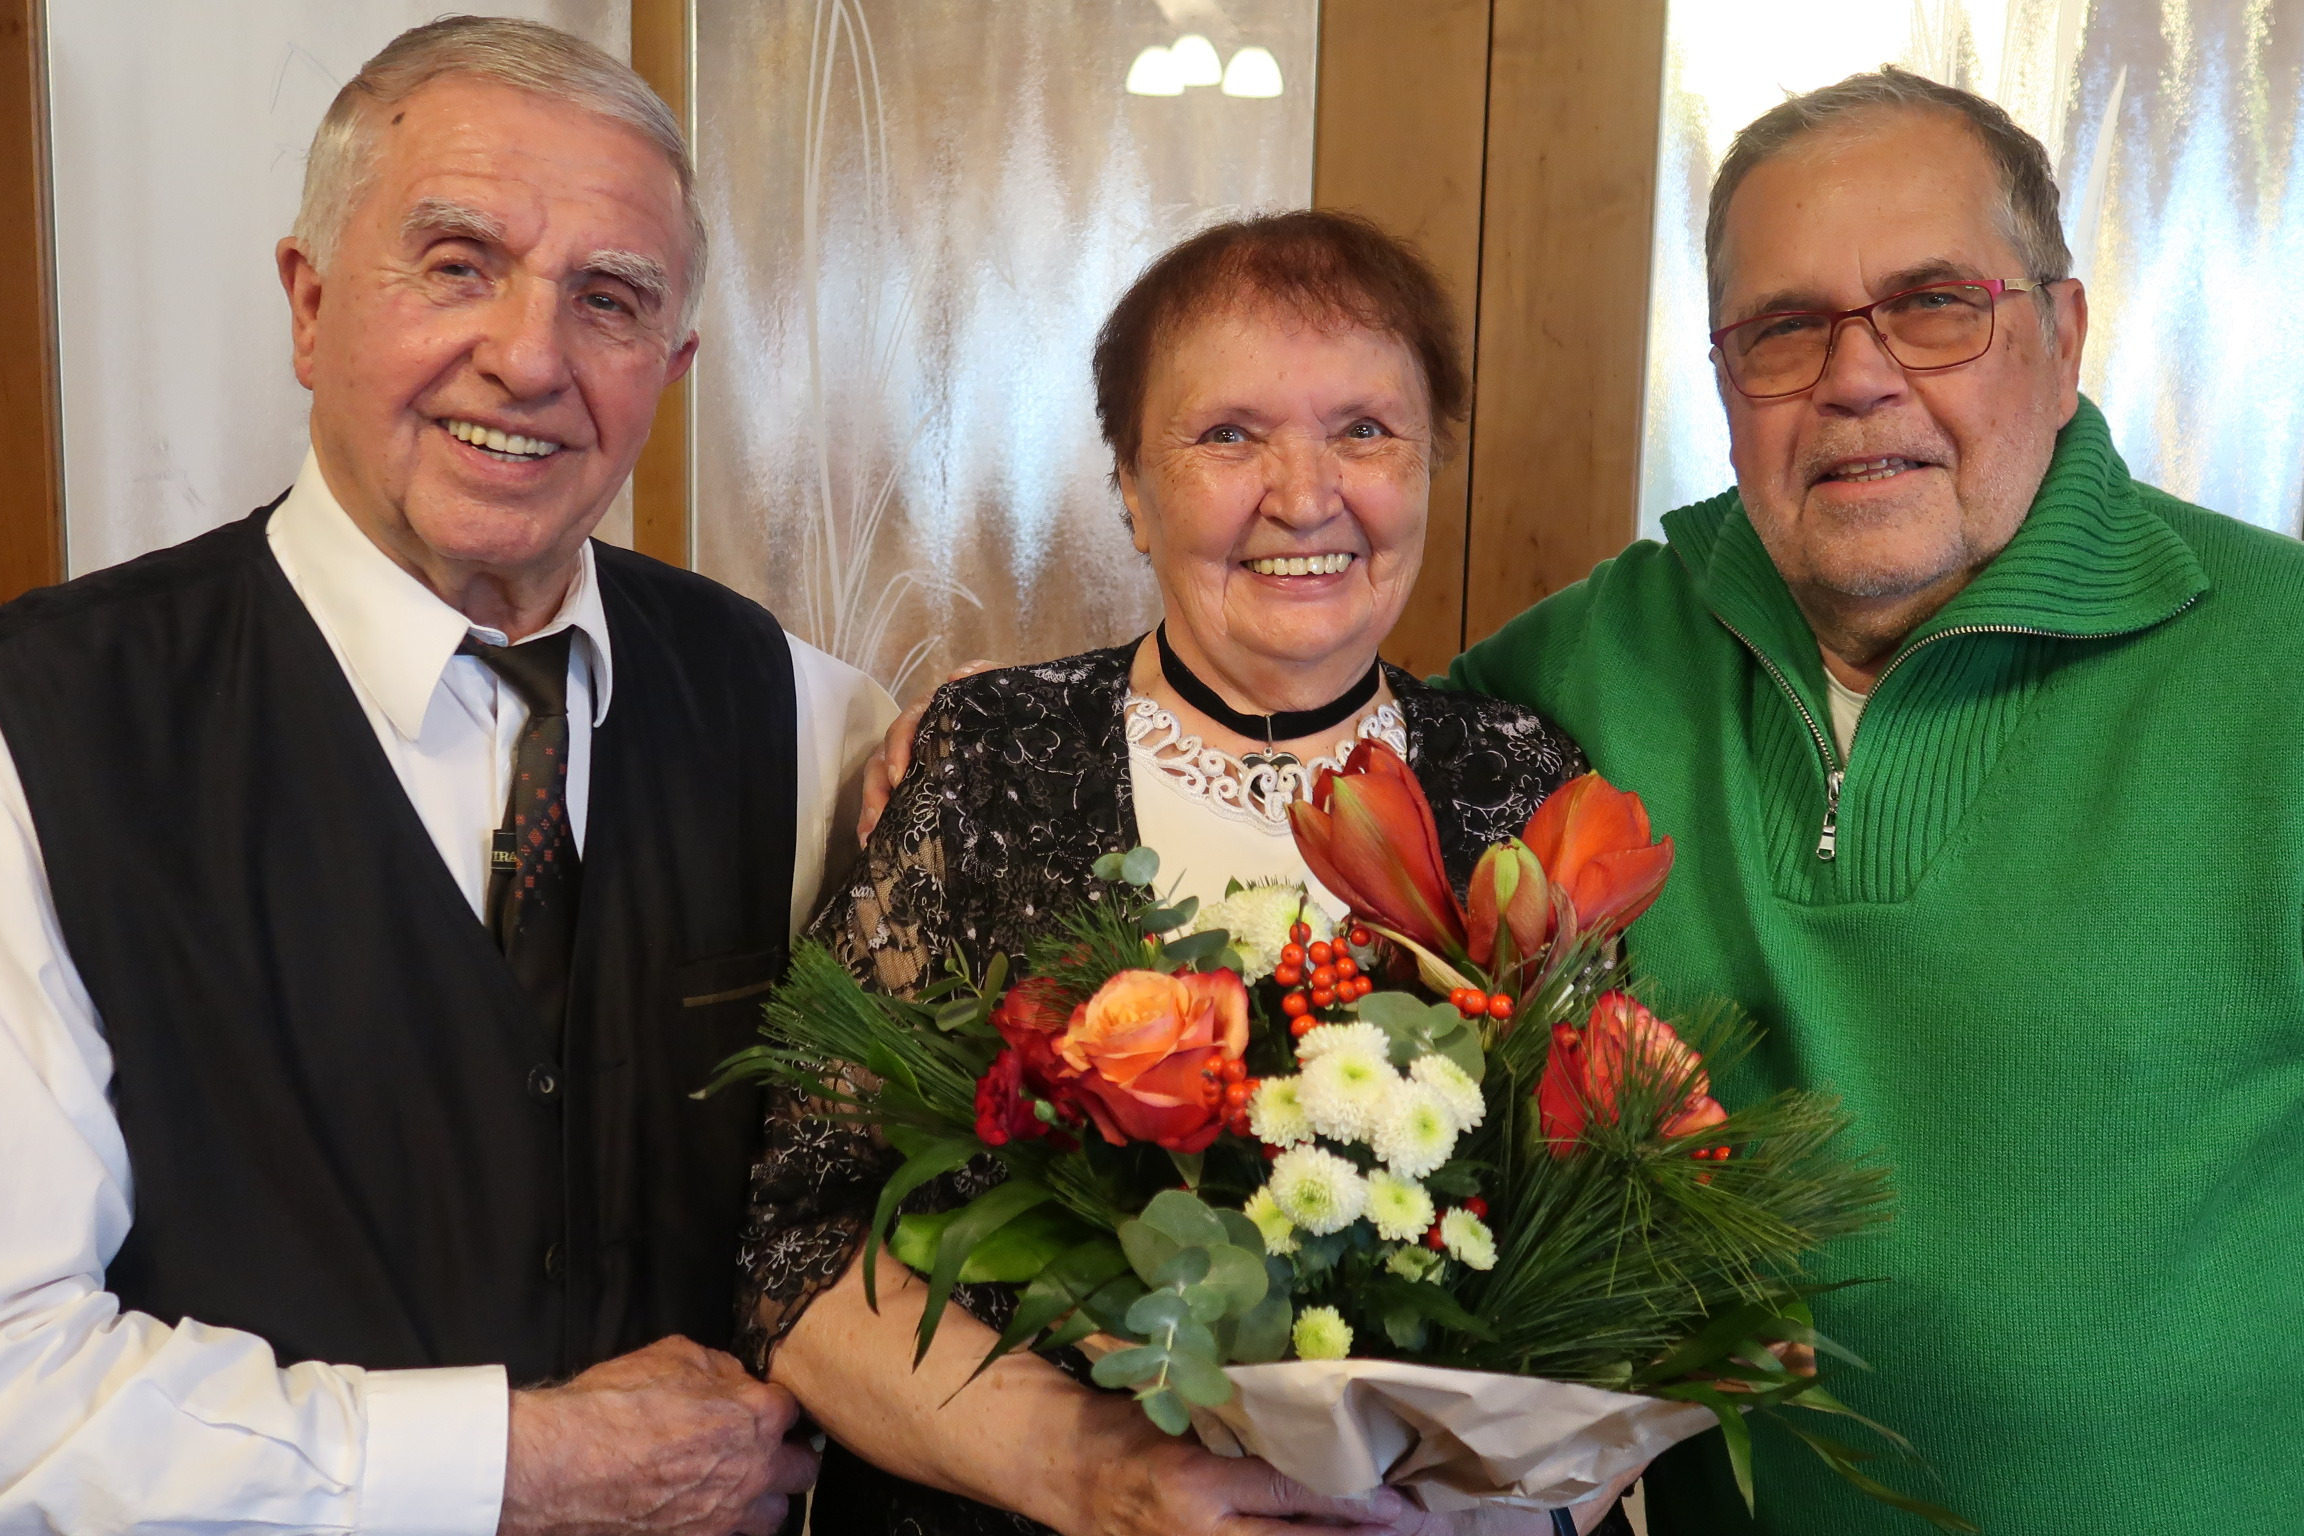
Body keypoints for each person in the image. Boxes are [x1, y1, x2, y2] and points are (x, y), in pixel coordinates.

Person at [0, 19, 891, 1535]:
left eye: (609, 301)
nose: (530, 359)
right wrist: (520, 1467)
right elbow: (20, 1389)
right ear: (310, 303)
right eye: (459, 264)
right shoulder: (43, 730)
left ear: (670, 368)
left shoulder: (810, 718)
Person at [1442, 69, 2304, 1533]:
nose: (1857, 378)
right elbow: (1297, 791)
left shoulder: (2280, 664)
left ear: (2063, 336)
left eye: (1934, 305)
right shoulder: (1575, 670)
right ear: (1725, 381)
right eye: (1784, 330)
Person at [748, 212, 1635, 1536]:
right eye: (1229, 435)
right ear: (1129, 483)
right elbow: (798, 1244)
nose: (1305, 495)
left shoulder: (1521, 779)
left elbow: (1615, 1240)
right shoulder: (994, 757)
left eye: (1365, 430)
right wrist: (1092, 1476)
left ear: (1431, 461)